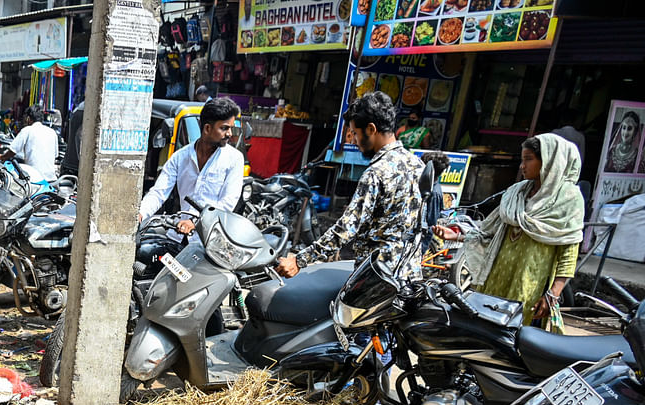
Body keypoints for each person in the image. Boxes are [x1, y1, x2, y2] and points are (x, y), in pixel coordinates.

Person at [434, 133, 584, 325]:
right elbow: (490, 231)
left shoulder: (568, 199)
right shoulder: (517, 191)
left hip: (531, 286)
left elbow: (568, 253)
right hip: (496, 278)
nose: (522, 166)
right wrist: (455, 235)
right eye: (522, 160)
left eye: (528, 159)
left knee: (516, 337)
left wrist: (553, 294)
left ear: (549, 161)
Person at [277, 91, 424, 278]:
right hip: (409, 276)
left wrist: (299, 260)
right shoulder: (418, 164)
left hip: (377, 280)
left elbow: (346, 228)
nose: (353, 140)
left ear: (371, 129)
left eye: (355, 133)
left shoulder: (376, 173)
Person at [138, 96, 244, 235]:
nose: (229, 134)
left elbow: (227, 203)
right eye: (224, 128)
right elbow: (159, 192)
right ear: (207, 128)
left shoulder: (234, 159)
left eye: (231, 128)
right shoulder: (180, 157)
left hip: (212, 240)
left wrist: (196, 222)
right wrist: (141, 213)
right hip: (178, 233)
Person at [7, 105, 59, 182]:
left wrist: (1, 157)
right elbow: (55, 155)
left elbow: (12, 152)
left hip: (34, 180)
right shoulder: (52, 132)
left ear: (28, 118)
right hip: (52, 179)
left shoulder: (27, 130)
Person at [59, 101, 84, 177]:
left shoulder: (76, 111)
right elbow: (79, 136)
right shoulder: (86, 114)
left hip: (68, 164)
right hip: (75, 166)